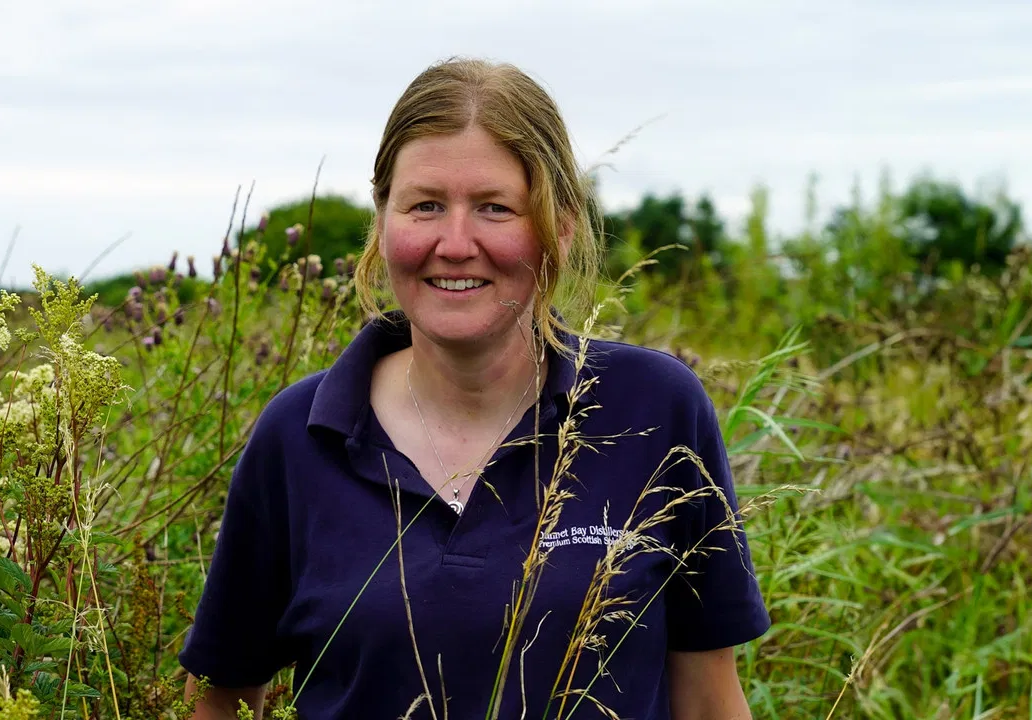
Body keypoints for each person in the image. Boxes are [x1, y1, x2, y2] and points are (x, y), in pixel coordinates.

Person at [180, 57, 769, 719]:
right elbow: (220, 700)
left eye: (495, 208)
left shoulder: (656, 410)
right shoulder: (299, 435)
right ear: (383, 220)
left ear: (561, 227)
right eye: (425, 205)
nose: (455, 243)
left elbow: (710, 700)